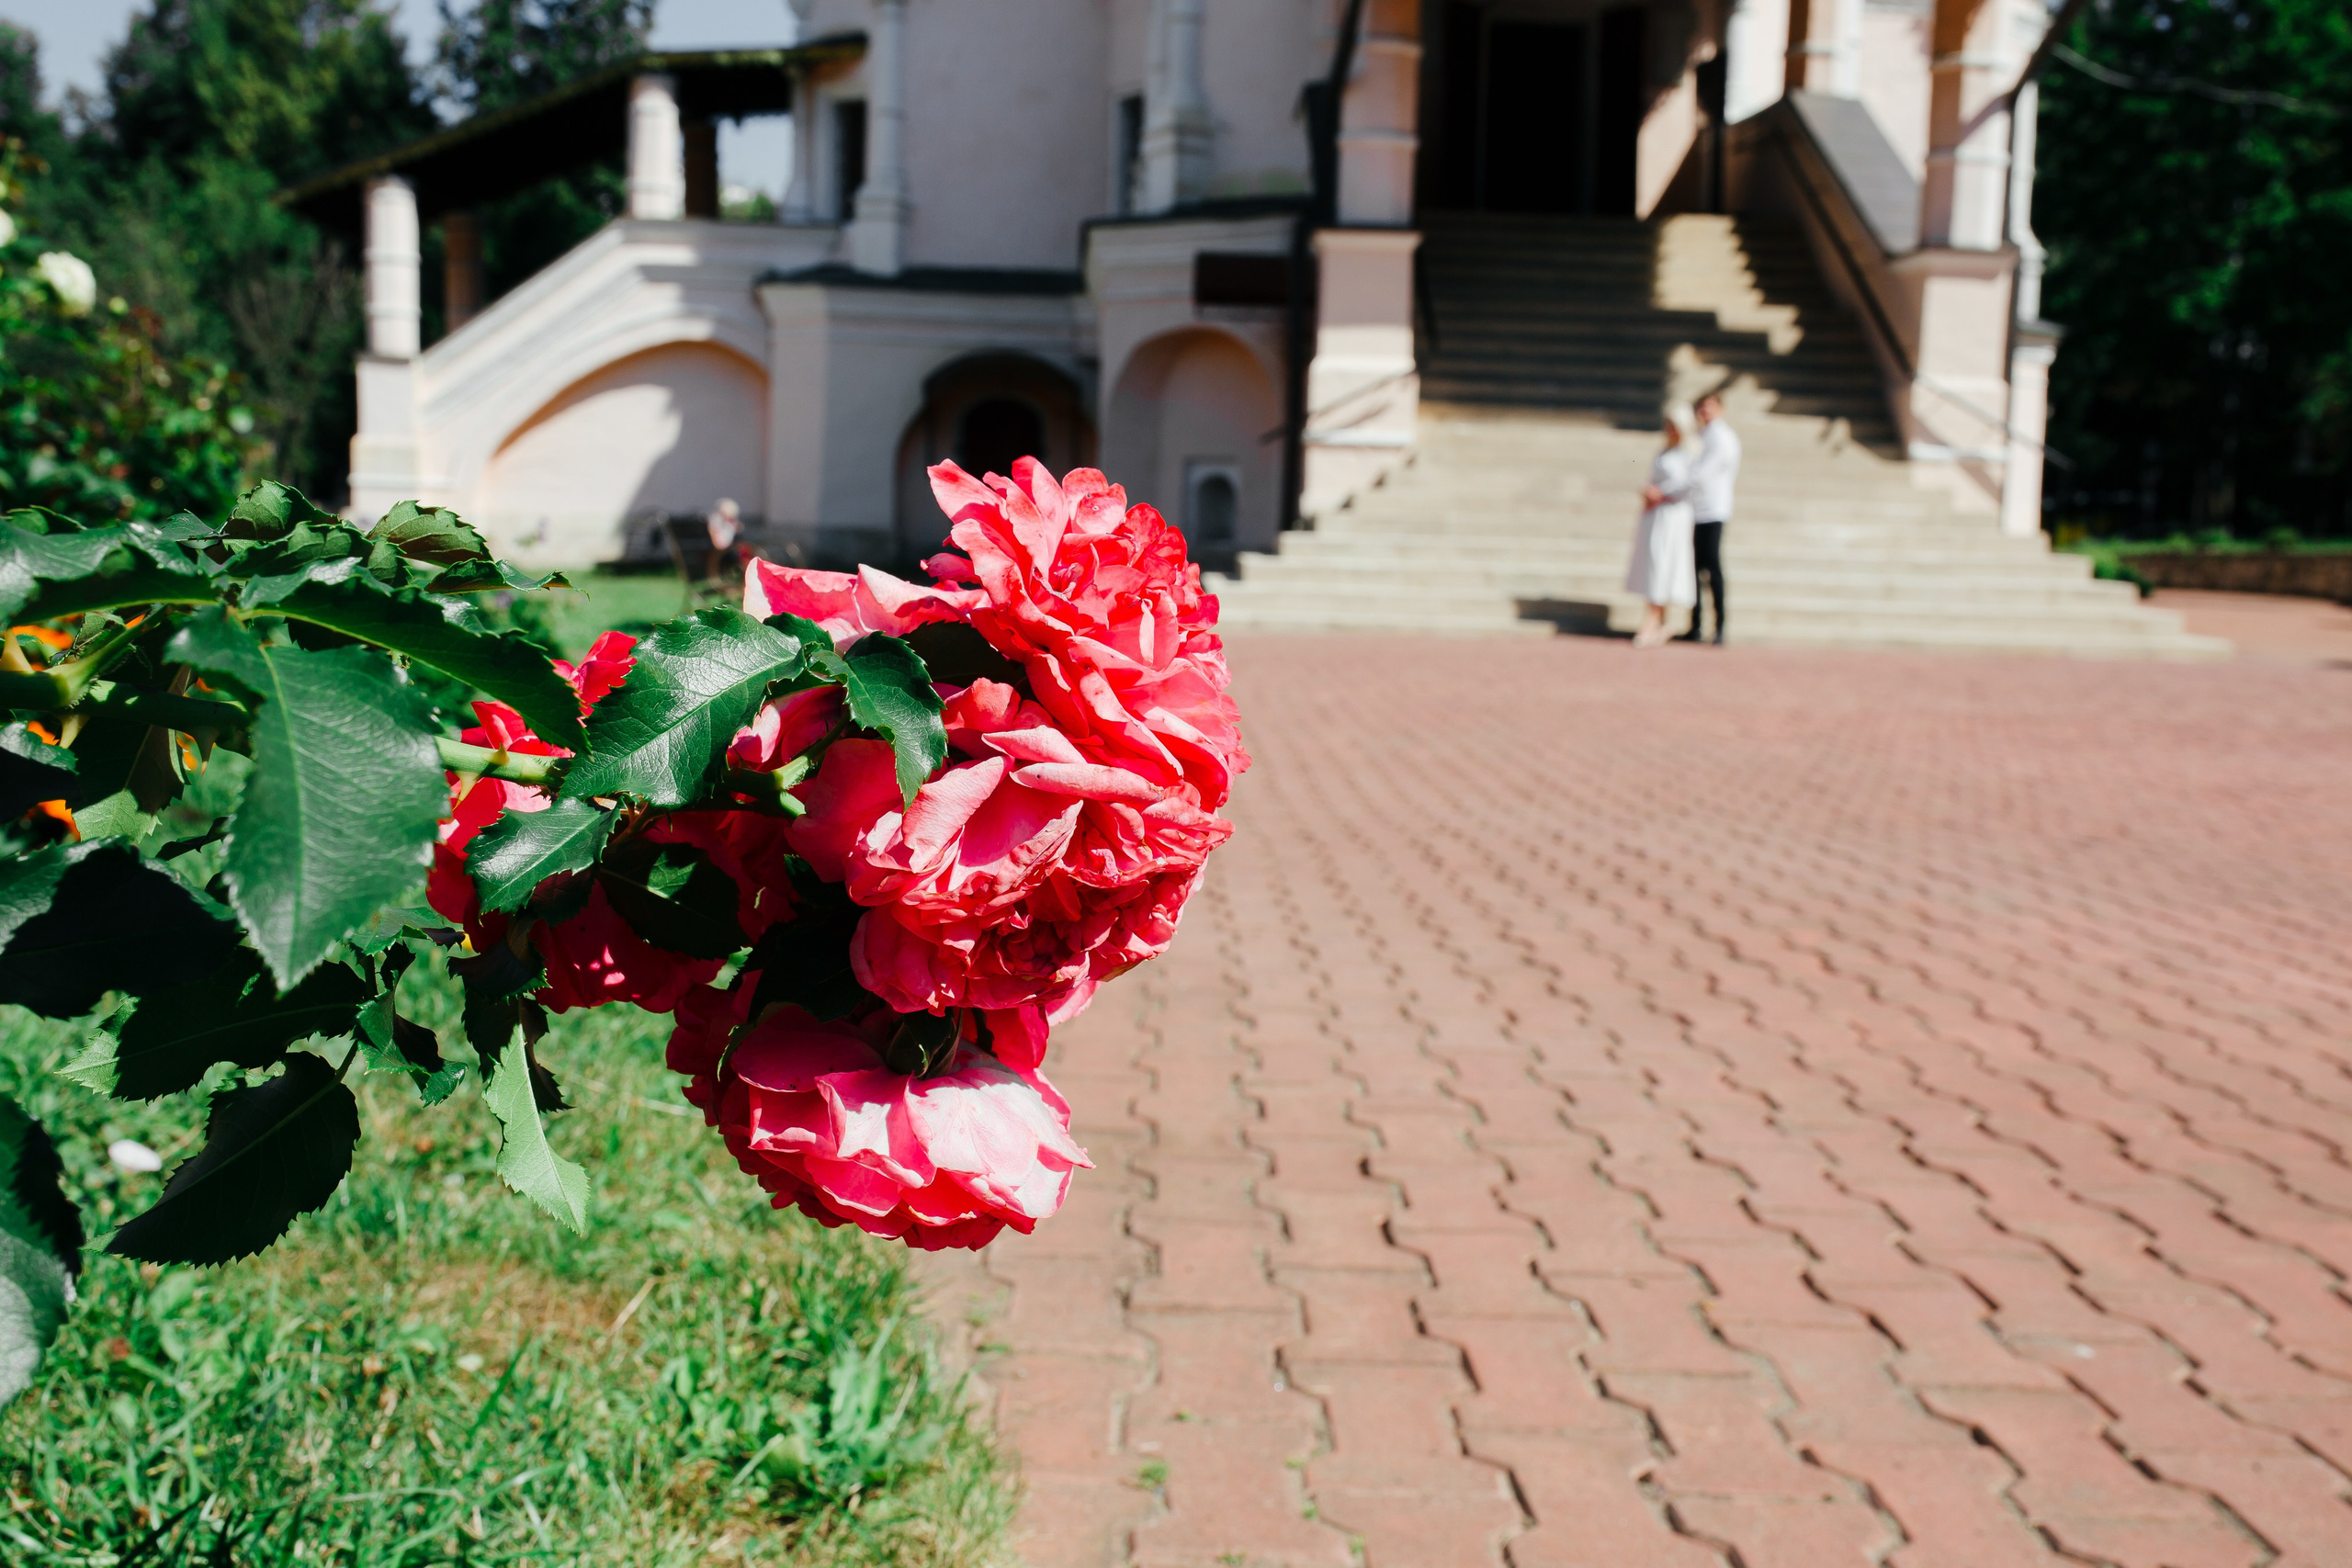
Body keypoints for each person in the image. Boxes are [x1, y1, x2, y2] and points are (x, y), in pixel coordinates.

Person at [1625, 404, 1699, 648]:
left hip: (1674, 515)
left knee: (1664, 561)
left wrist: (1662, 493)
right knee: (1654, 562)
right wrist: (1648, 491)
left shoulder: (1692, 452)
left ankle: (1653, 617)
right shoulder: (1664, 452)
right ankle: (1660, 619)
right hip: (1657, 515)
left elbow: (1691, 483)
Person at [1679, 391, 1740, 643]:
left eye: (1710, 407)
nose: (1705, 412)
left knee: (1712, 568)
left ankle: (1719, 626)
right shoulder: (1701, 436)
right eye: (1701, 407)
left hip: (1712, 509)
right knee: (1693, 569)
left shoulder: (1722, 437)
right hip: (1695, 508)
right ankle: (1695, 625)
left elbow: (1702, 474)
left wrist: (1672, 489)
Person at [705, 498, 745, 583]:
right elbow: (714, 533)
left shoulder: (731, 522)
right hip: (720, 547)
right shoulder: (716, 519)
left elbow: (738, 530)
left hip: (729, 547)